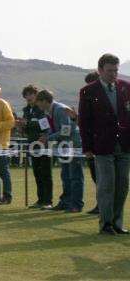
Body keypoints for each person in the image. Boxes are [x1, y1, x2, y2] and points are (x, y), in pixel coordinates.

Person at [79, 54, 130, 235]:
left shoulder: (126, 87)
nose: (114, 74)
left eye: (116, 70)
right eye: (110, 71)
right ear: (100, 70)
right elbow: (84, 122)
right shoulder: (88, 91)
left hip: (124, 145)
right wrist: (87, 147)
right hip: (102, 146)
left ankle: (117, 222)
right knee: (106, 185)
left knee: (123, 186)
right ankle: (106, 224)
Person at [35, 89, 84, 213]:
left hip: (73, 144)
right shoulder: (48, 112)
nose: (38, 105)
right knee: (65, 175)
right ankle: (65, 202)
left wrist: (48, 138)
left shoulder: (60, 109)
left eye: (39, 102)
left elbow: (66, 130)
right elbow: (54, 129)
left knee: (75, 176)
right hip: (63, 146)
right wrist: (46, 136)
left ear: (45, 101)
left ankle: (76, 204)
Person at [17, 85, 53, 210]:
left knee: (45, 173)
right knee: (37, 173)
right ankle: (40, 200)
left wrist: (29, 123)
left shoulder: (41, 109)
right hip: (32, 144)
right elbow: (26, 130)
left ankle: (48, 201)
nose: (28, 97)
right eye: (26, 95)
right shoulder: (26, 110)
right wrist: (21, 127)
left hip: (43, 144)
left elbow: (46, 127)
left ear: (36, 95)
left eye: (31, 94)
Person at [82, 71, 100, 215]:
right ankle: (100, 204)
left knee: (103, 179)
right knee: (96, 178)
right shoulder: (88, 101)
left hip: (102, 146)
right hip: (91, 147)